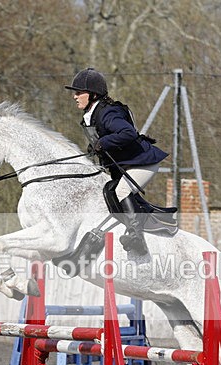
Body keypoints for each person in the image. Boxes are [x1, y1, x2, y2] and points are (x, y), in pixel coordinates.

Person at [65, 67, 168, 255]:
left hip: (144, 162)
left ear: (93, 94)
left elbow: (128, 133)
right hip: (128, 164)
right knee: (109, 191)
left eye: (79, 92)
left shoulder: (108, 113)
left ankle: (136, 237)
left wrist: (102, 143)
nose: (75, 96)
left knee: (122, 191)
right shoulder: (93, 114)